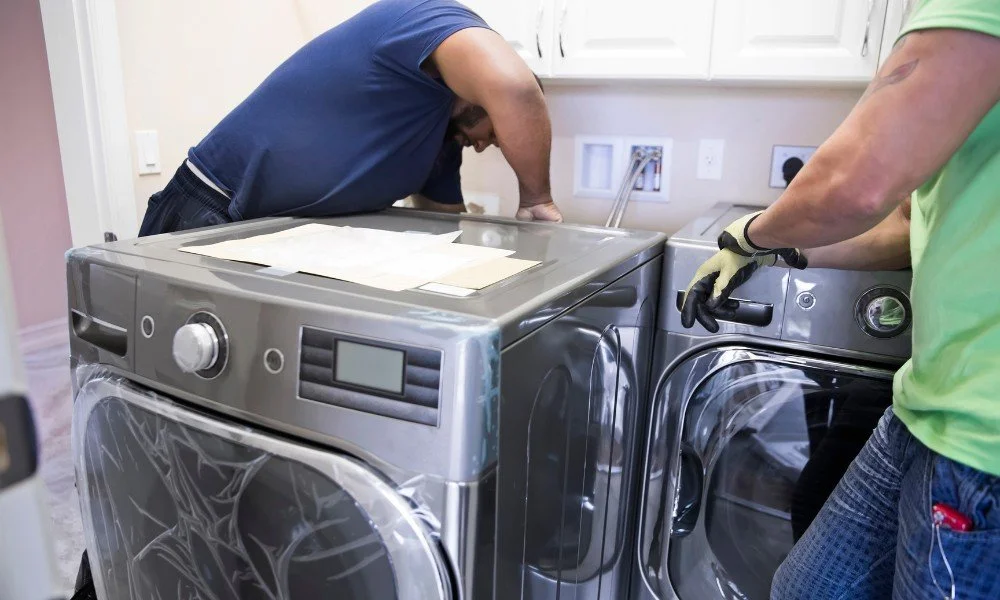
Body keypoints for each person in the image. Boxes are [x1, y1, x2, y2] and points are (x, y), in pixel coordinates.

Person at [681, 0, 1000, 598]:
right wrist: (775, 252)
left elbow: (859, 181)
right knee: (806, 587)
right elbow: (904, 223)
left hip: (986, 441)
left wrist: (749, 233)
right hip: (928, 405)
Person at [137, 0, 561, 237]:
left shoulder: (436, 140)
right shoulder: (427, 17)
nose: (487, 145)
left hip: (287, 240)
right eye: (497, 134)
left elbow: (444, 223)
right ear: (482, 93)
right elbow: (518, 90)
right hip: (213, 207)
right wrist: (536, 200)